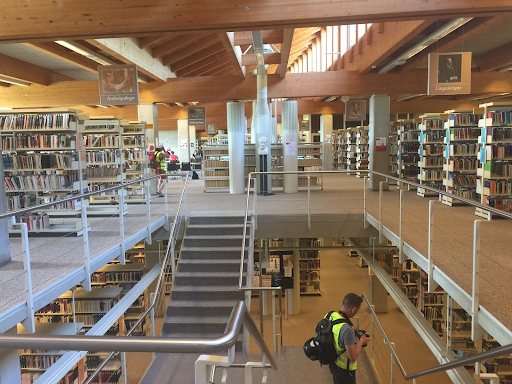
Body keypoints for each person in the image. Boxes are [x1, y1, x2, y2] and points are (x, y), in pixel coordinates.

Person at [327, 293, 369, 384]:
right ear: (353, 309)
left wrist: (356, 332)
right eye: (357, 310)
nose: (357, 312)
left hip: (333, 362)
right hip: (344, 370)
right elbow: (352, 357)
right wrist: (361, 341)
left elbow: (336, 328)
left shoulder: (331, 315)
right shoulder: (347, 330)